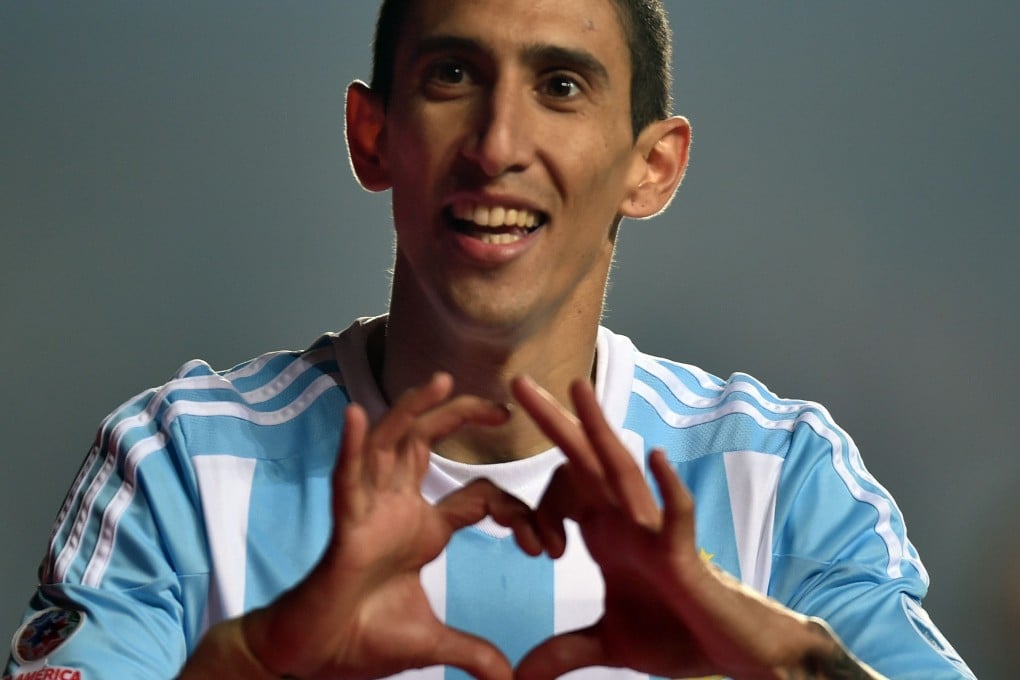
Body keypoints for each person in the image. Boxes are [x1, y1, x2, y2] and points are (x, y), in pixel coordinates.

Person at [5, 1, 975, 679]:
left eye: (561, 84)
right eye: (455, 74)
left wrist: (756, 650)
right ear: (372, 135)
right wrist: (261, 658)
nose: (498, 141)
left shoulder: (784, 476)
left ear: (654, 166)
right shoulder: (176, 461)